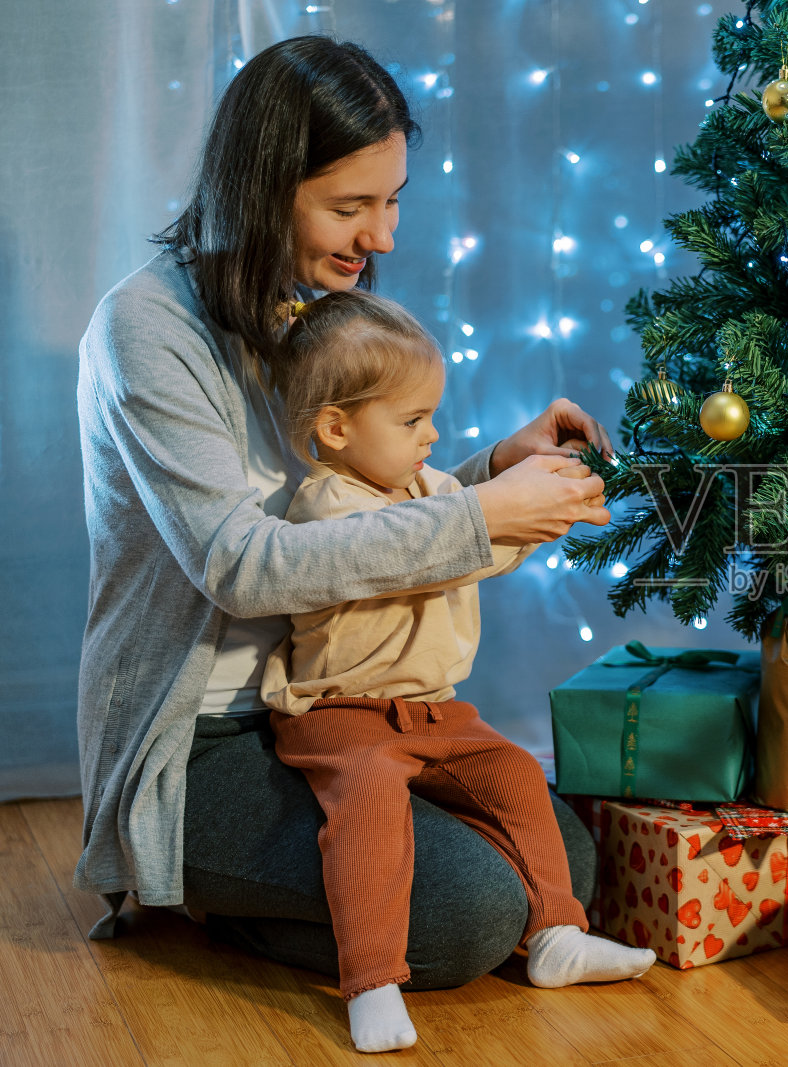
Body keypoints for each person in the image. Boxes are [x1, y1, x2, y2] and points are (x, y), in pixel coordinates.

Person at [75, 34, 613, 1004]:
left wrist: (492, 471)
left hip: (341, 707)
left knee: (567, 861)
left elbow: (348, 514)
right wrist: (480, 516)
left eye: (392, 200)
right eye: (351, 205)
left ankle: (331, 881)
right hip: (204, 740)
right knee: (470, 911)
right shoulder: (146, 328)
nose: (383, 237)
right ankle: (192, 890)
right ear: (261, 188)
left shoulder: (308, 308)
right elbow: (246, 565)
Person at [257, 290, 651, 1052]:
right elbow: (417, 546)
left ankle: (557, 936)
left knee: (515, 773)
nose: (432, 435)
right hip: (342, 714)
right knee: (369, 803)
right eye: (412, 421)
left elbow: (479, 540)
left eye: (432, 417)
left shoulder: (428, 488)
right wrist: (492, 511)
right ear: (336, 428)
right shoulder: (326, 508)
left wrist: (545, 507)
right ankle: (372, 978)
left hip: (435, 710)